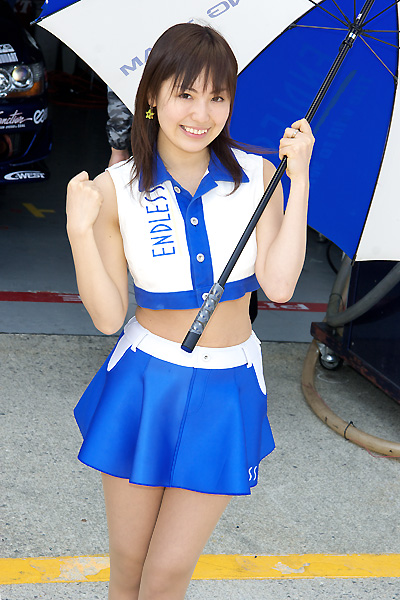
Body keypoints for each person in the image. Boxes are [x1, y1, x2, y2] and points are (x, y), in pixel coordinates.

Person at [66, 23, 314, 600]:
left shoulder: (259, 177)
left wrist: (299, 178)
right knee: (129, 565)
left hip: (227, 384)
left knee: (169, 572)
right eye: (185, 94)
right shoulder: (116, 188)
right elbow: (108, 317)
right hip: (145, 382)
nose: (202, 114)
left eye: (218, 96)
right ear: (153, 96)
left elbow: (279, 285)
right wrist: (80, 232)